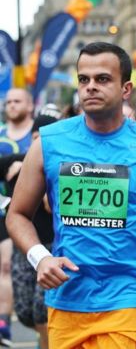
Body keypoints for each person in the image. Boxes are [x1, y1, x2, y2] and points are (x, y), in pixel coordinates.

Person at [6, 42, 136, 349]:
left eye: (102, 79)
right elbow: (17, 214)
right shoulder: (49, 143)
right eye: (83, 79)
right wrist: (40, 258)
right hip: (68, 299)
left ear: (126, 88)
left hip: (132, 296)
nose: (90, 87)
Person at [2, 115, 57, 349]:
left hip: (53, 247)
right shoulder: (17, 160)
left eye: (43, 139)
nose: (38, 144)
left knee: (41, 310)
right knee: (24, 311)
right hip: (24, 247)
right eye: (35, 138)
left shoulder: (63, 166)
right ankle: (47, 339)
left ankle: (47, 343)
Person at [0, 87, 35, 346]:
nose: (12, 105)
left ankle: (3, 326)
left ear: (30, 105)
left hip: (27, 215)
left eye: (17, 101)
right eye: (8, 101)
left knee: (7, 267)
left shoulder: (40, 135)